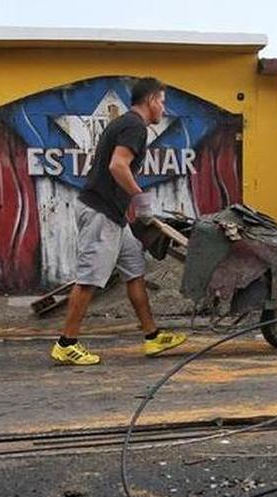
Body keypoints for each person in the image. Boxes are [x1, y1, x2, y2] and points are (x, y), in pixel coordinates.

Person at [51, 77, 187, 365]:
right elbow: (117, 165)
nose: (163, 108)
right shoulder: (135, 126)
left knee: (134, 269)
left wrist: (128, 207)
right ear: (150, 100)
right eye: (162, 101)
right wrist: (139, 197)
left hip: (112, 214)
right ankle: (66, 343)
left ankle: (152, 336)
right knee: (90, 278)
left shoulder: (127, 124)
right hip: (101, 213)